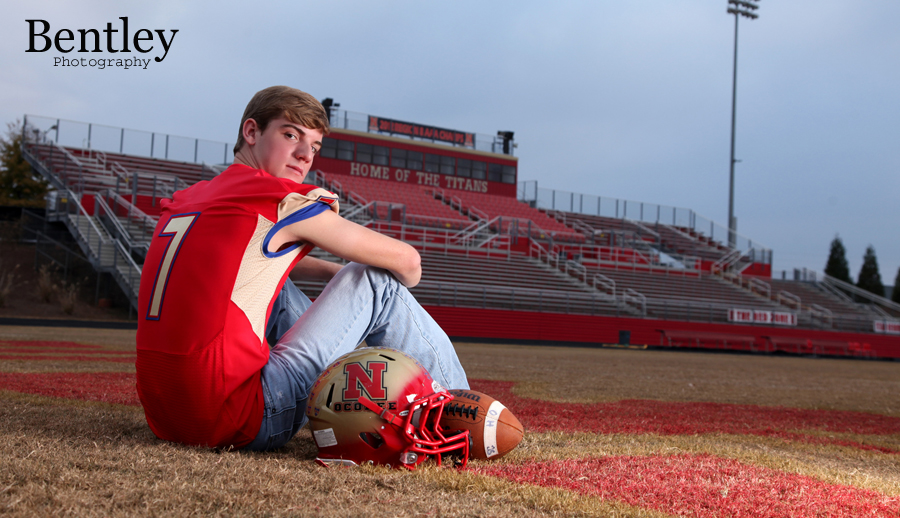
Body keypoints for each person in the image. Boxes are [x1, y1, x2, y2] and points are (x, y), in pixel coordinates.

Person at [135, 85, 469, 451]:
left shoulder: (191, 198)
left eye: (314, 146)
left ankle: (356, 392)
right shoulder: (277, 198)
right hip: (244, 418)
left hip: (168, 415)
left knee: (274, 285)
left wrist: (330, 273)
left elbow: (249, 259)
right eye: (290, 134)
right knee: (373, 278)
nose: (304, 154)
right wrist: (353, 276)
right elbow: (408, 262)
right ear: (251, 132)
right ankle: (458, 413)